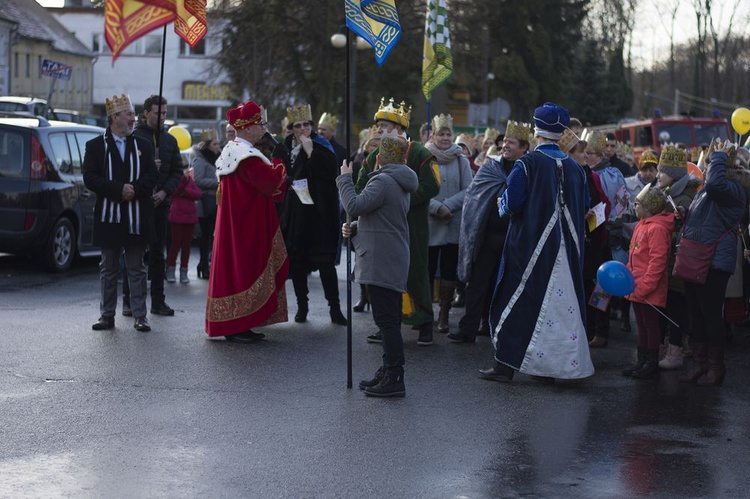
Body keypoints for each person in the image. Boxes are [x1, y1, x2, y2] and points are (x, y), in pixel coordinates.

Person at [480, 102, 594, 383]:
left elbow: (513, 202)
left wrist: (501, 204)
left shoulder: (527, 163)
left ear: (536, 131)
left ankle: (505, 365)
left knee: (518, 299)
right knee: (560, 306)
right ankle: (549, 369)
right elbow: (585, 205)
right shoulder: (577, 169)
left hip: (530, 247)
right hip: (567, 250)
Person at [338, 130, 418, 397]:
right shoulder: (398, 180)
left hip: (382, 258)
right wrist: (357, 228)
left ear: (380, 158)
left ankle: (395, 376)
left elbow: (354, 203)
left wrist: (345, 179)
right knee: (388, 319)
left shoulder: (383, 181)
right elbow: (384, 218)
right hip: (390, 254)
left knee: (386, 321)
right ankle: (388, 369)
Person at [355, 98, 440, 346]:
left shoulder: (420, 153)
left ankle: (424, 323)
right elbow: (361, 187)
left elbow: (432, 185)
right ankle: (387, 325)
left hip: (411, 224)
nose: (379, 130)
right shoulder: (373, 157)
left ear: (400, 129)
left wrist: (401, 201)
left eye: (385, 126)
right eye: (378, 126)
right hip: (380, 228)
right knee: (382, 277)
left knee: (415, 271)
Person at [205, 100, 289, 343]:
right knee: (245, 270)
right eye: (260, 124)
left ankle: (239, 322)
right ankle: (237, 324)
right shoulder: (246, 156)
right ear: (249, 128)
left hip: (237, 223)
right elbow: (271, 182)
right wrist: (280, 160)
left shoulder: (234, 150)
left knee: (235, 270)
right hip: (246, 226)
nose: (264, 128)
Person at [450, 120, 531, 343]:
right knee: (477, 285)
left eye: (511, 142)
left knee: (503, 285)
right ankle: (468, 329)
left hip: (512, 239)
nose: (505, 145)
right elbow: (473, 198)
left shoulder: (527, 170)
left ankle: (494, 327)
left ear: (524, 147)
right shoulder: (490, 168)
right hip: (487, 238)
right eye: (505, 141)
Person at [83, 94, 157, 332]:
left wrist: (133, 190)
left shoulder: (144, 146)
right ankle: (106, 315)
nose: (133, 119)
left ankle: (139, 315)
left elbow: (152, 176)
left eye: (133, 114)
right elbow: (90, 178)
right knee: (108, 267)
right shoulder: (95, 145)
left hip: (136, 216)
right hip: (109, 216)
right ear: (115, 118)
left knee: (137, 268)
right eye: (129, 114)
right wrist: (118, 190)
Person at [679, 142, 748, 386]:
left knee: (710, 316)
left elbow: (715, 183)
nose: (706, 167)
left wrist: (718, 156)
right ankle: (700, 365)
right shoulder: (711, 190)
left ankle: (716, 368)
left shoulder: (733, 190)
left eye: (711, 164)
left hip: (714, 261)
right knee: (696, 315)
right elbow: (706, 216)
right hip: (696, 257)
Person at [280, 104, 347, 326]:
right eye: (297, 125)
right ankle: (302, 306)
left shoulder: (322, 145)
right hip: (297, 214)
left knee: (325, 264)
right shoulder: (287, 147)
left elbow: (331, 172)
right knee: (298, 264)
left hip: (319, 214)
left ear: (311, 126)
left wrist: (311, 153)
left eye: (305, 125)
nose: (302, 129)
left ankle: (335, 308)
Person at [123, 95, 184, 317]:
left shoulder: (169, 140)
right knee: (134, 252)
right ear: (146, 112)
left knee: (158, 254)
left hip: (161, 203)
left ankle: (158, 300)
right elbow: (126, 170)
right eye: (158, 113)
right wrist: (148, 166)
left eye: (165, 113)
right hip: (138, 203)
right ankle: (128, 300)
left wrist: (164, 191)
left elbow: (177, 171)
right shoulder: (134, 136)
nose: (162, 117)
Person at [425, 114, 473, 335]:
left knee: (447, 269)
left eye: (448, 134)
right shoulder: (424, 158)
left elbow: (469, 190)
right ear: (432, 136)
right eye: (441, 134)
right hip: (430, 223)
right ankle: (425, 313)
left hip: (452, 222)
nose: (445, 138)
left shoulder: (461, 160)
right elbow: (418, 189)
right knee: (427, 268)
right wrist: (436, 207)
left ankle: (444, 313)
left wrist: (448, 206)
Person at [655, 147, 701, 369]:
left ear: (672, 173)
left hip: (679, 260)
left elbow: (692, 229)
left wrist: (678, 222)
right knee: (668, 304)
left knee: (676, 306)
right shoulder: (669, 192)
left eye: (661, 172)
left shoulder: (686, 196)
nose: (657, 176)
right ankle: (667, 347)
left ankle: (676, 351)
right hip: (668, 258)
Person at [622, 185, 674, 379]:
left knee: (651, 325)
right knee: (641, 325)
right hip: (636, 285)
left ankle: (651, 362)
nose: (635, 208)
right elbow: (633, 254)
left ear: (648, 207)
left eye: (637, 204)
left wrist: (646, 286)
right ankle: (642, 360)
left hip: (649, 287)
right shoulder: (642, 224)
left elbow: (657, 262)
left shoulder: (658, 229)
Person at [585, 130, 629, 346]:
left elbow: (622, 201)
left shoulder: (613, 174)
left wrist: (612, 221)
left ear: (601, 155)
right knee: (587, 283)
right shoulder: (583, 172)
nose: (587, 156)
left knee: (602, 284)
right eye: (585, 152)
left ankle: (601, 331)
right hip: (591, 235)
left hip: (608, 233)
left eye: (591, 153)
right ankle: (589, 327)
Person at [350, 125, 382, 313]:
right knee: (360, 258)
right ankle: (364, 294)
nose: (376, 146)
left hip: (378, 214)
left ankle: (375, 296)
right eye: (373, 143)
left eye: (379, 142)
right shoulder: (358, 162)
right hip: (360, 212)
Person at [166, 165, 202, 284]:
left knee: (186, 246)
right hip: (177, 216)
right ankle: (170, 270)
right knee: (175, 245)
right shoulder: (179, 180)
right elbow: (177, 190)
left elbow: (198, 194)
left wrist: (186, 192)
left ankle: (183, 271)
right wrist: (186, 188)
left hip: (189, 217)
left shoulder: (190, 181)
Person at [192, 132, 221, 279]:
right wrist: (218, 183)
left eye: (218, 144)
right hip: (206, 201)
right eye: (215, 144)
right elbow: (198, 180)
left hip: (218, 200)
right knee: (206, 236)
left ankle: (209, 264)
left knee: (215, 236)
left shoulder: (219, 158)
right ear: (207, 145)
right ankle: (203, 264)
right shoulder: (200, 159)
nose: (218, 147)